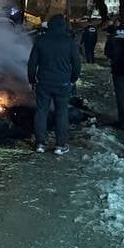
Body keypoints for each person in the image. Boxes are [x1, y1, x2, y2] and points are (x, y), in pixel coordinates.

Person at [27, 14, 81, 154]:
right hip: (63, 83)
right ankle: (60, 146)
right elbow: (77, 64)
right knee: (61, 112)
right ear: (63, 25)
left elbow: (32, 63)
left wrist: (32, 80)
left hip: (43, 83)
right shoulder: (69, 42)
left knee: (41, 112)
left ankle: (40, 144)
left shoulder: (41, 41)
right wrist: (72, 79)